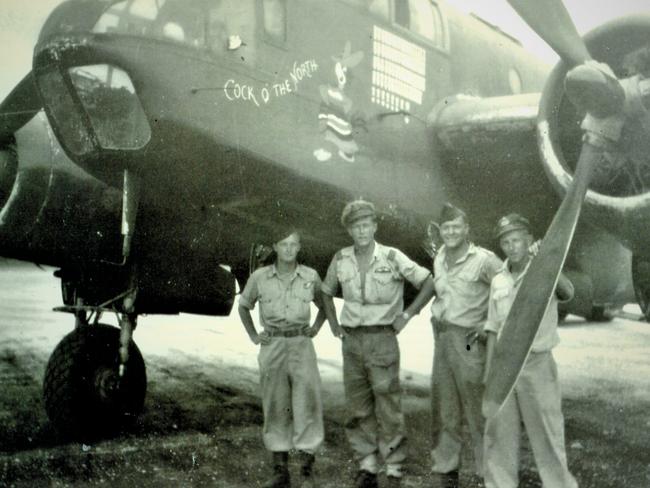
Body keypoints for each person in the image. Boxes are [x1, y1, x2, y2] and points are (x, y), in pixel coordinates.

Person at [321, 199, 435, 488]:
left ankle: (394, 469)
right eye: (355, 226)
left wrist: (408, 314)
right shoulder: (341, 258)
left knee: (388, 406)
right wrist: (333, 324)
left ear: (374, 226)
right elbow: (325, 291)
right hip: (352, 340)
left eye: (366, 225)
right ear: (349, 230)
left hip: (383, 338)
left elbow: (429, 282)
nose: (361, 231)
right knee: (358, 406)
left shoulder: (392, 257)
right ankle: (367, 466)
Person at [482, 213, 578, 488]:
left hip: (537, 364)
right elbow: (492, 326)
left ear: (528, 241)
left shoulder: (543, 268)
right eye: (506, 242)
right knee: (500, 436)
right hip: (504, 366)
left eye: (516, 240)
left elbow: (568, 292)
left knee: (548, 435)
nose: (511, 247)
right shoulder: (499, 280)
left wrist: (546, 261)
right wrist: (490, 373)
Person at [238, 229, 327, 488]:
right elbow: (243, 306)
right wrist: (255, 336)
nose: (289, 249)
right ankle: (280, 471)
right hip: (273, 345)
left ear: (299, 248)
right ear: (275, 246)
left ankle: (307, 473)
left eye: (294, 244)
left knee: (307, 404)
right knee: (276, 405)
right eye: (284, 244)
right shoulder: (259, 277)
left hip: (301, 345)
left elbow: (325, 305)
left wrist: (317, 328)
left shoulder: (310, 276)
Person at [429, 203, 503, 487]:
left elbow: (507, 292)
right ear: (440, 230)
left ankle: (490, 474)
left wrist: (488, 325)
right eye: (446, 228)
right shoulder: (439, 258)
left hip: (470, 344)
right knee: (445, 409)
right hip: (444, 340)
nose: (450, 232)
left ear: (466, 229)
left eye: (456, 227)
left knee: (478, 411)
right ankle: (446, 470)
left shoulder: (484, 261)